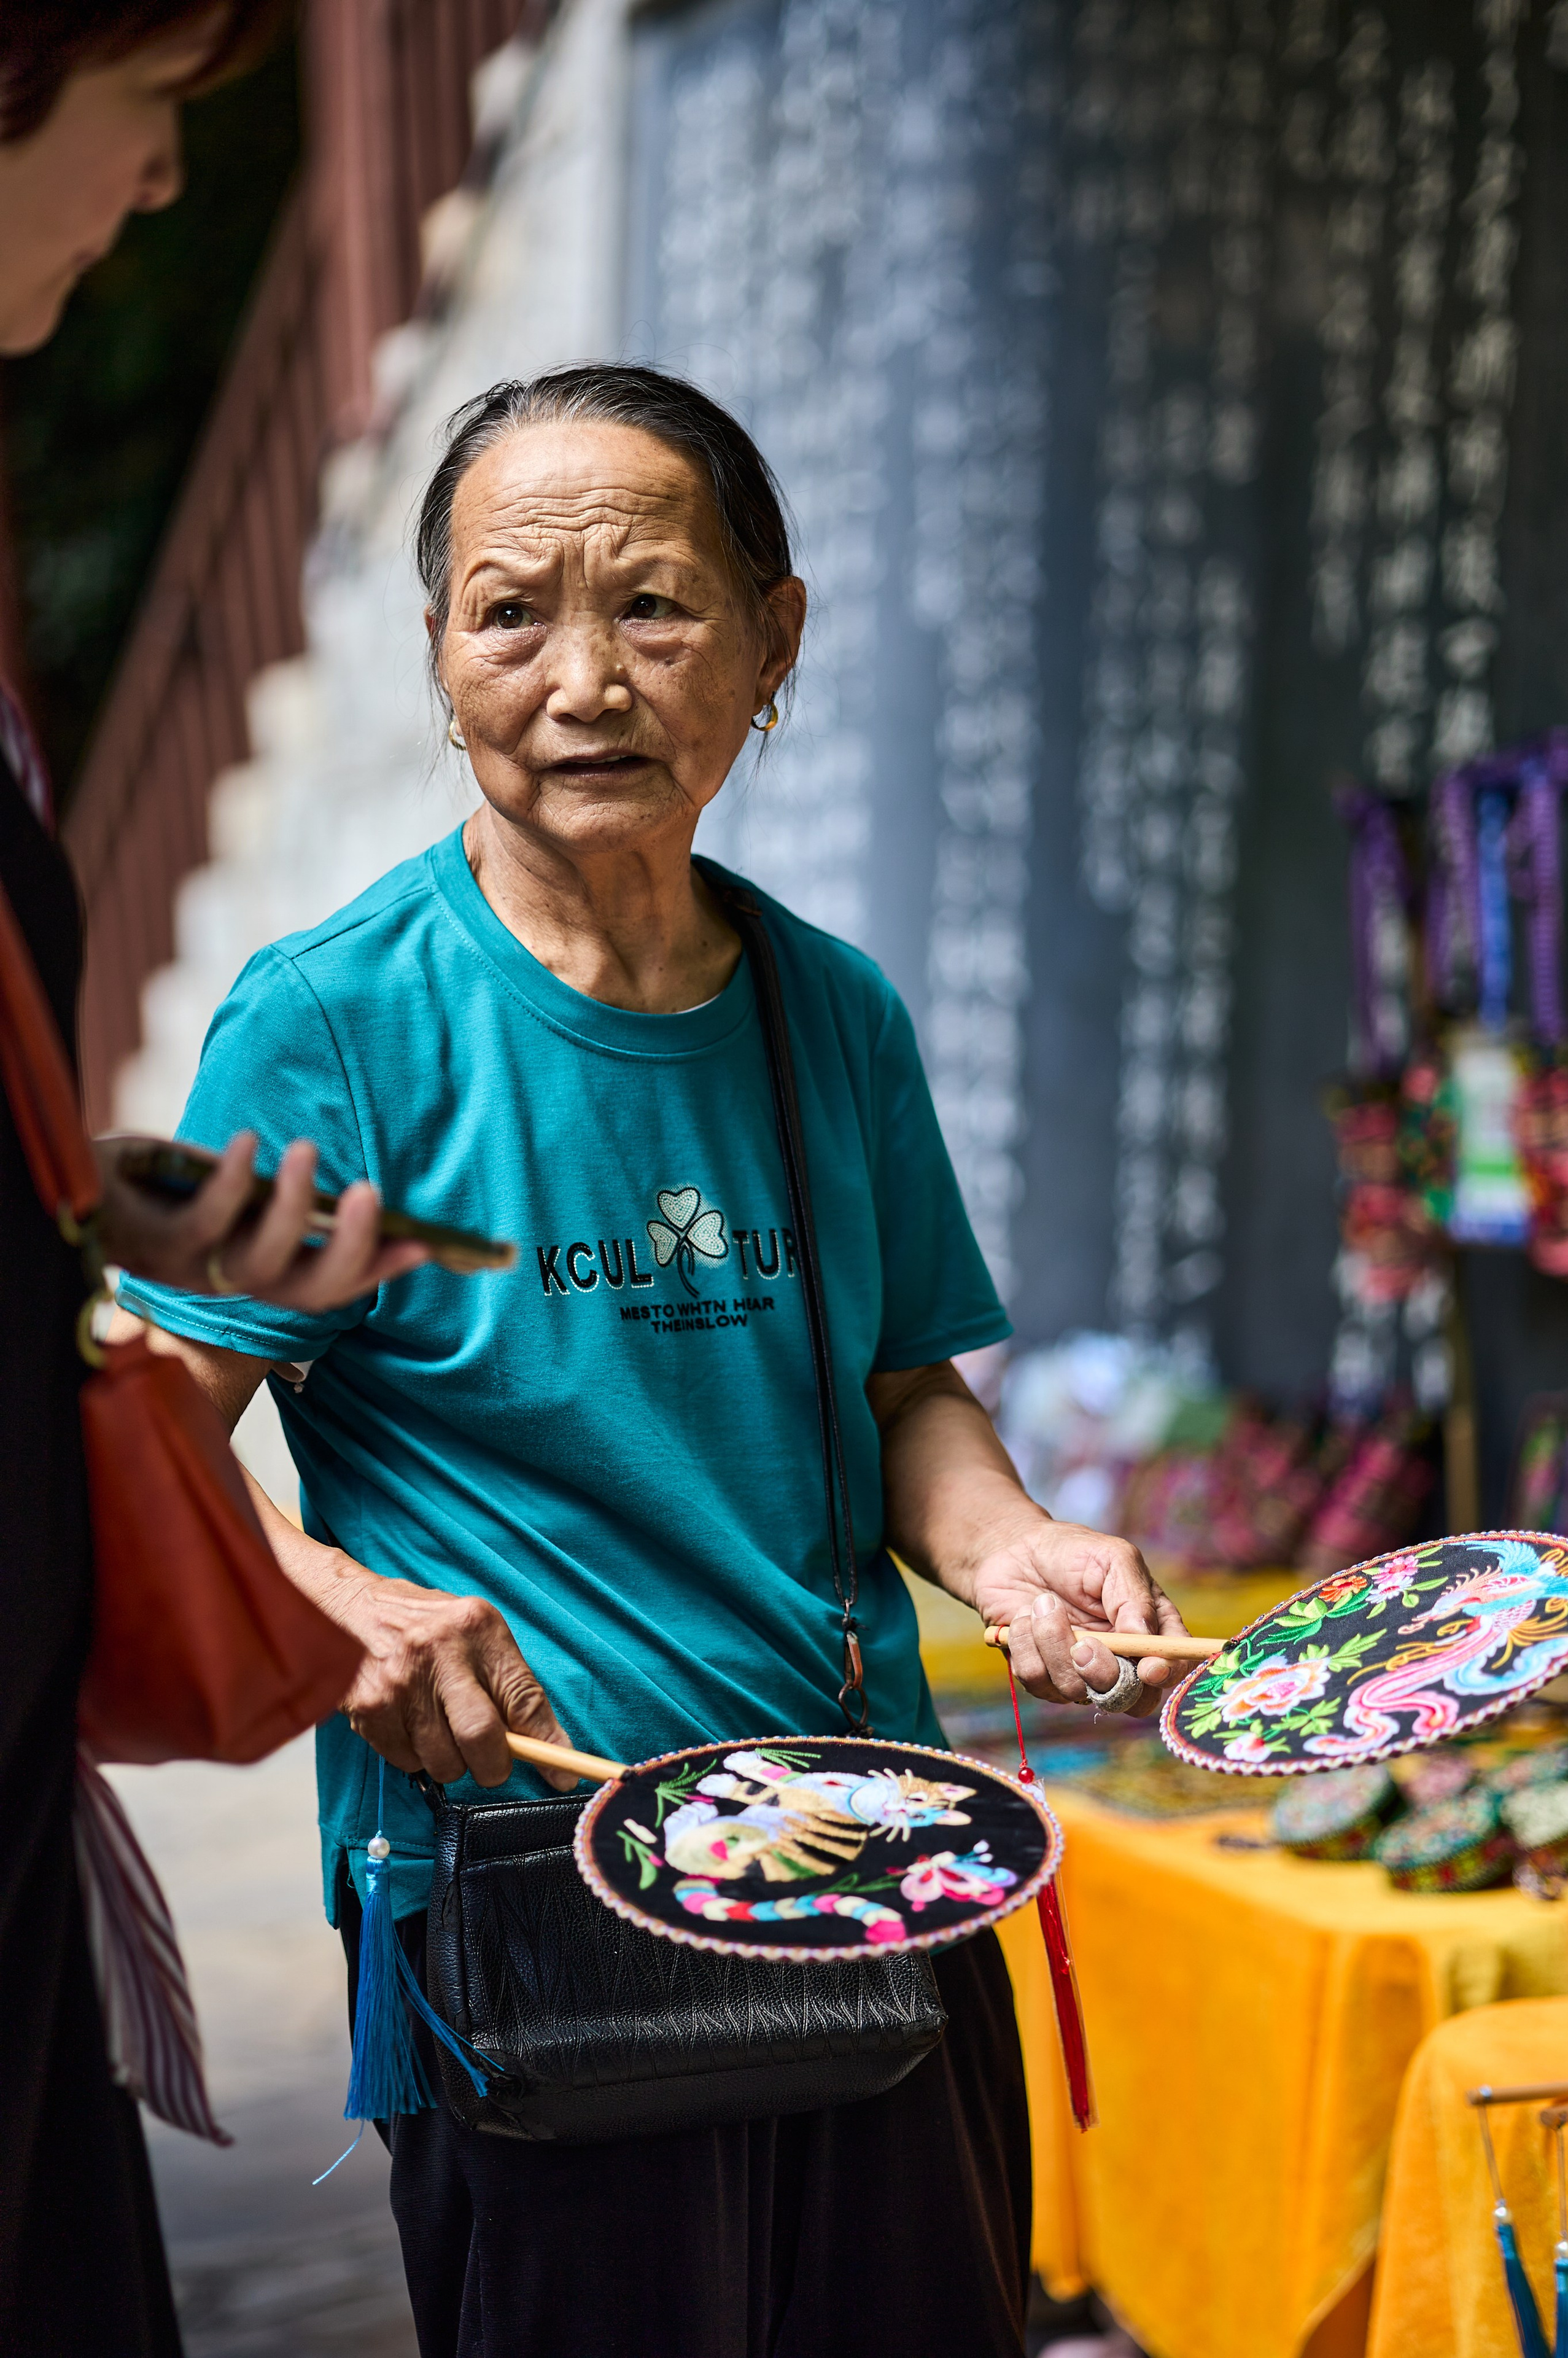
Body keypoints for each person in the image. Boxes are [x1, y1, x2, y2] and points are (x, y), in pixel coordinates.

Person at [120, 364, 1190, 2358]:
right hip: (543, 1896)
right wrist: (341, 1602)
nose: (582, 681)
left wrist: (1015, 1548)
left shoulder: (828, 1010)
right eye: (510, 609)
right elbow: (148, 1443)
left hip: (873, 1863)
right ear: (437, 650)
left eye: (656, 607)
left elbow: (898, 1396)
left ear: (775, 640)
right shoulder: (328, 1028)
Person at [0, 10, 440, 2351]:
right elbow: (163, 1351)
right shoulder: (341, 1005)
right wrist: (304, 1579)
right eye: (150, 106)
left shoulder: (826, 1007)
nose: (166, 186)